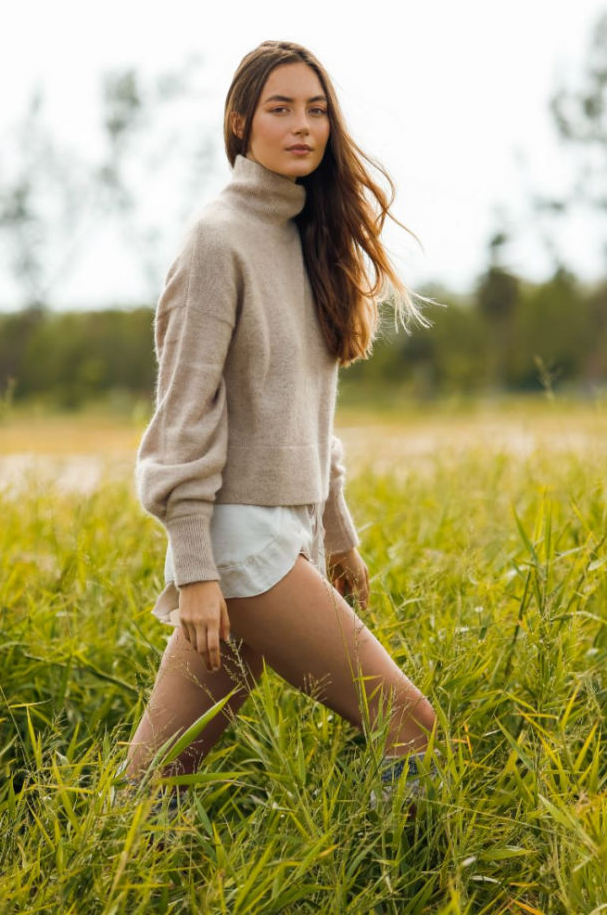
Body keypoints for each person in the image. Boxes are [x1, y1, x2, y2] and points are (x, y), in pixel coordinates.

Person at [123, 40, 438, 807]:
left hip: (278, 535)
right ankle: (402, 867)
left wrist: (337, 534)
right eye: (281, 108)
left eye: (317, 109)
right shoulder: (218, 240)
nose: (303, 125)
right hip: (238, 542)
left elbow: (306, 417)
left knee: (156, 780)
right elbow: (182, 420)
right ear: (240, 122)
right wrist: (196, 572)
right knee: (407, 720)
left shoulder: (304, 240)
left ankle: (113, 864)